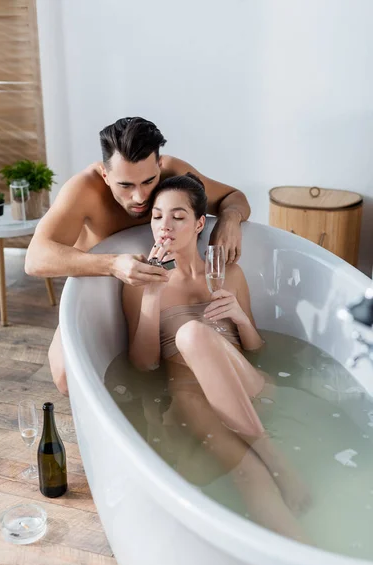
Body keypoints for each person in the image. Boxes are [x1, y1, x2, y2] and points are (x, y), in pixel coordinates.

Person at [122, 172, 311, 542]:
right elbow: (144, 365)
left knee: (194, 333)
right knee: (248, 475)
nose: (165, 226)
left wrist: (239, 316)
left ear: (198, 224)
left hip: (250, 391)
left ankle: (274, 456)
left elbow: (257, 350)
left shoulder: (229, 275)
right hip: (195, 401)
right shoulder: (141, 283)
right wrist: (151, 293)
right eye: (157, 216)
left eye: (177, 217)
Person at [25, 117, 251, 395]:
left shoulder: (174, 172)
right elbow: (35, 258)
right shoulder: (84, 190)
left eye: (148, 181)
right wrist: (113, 263)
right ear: (105, 175)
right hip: (101, 284)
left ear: (159, 165)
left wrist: (230, 218)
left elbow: (234, 196)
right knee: (65, 377)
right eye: (125, 185)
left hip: (163, 287)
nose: (140, 196)